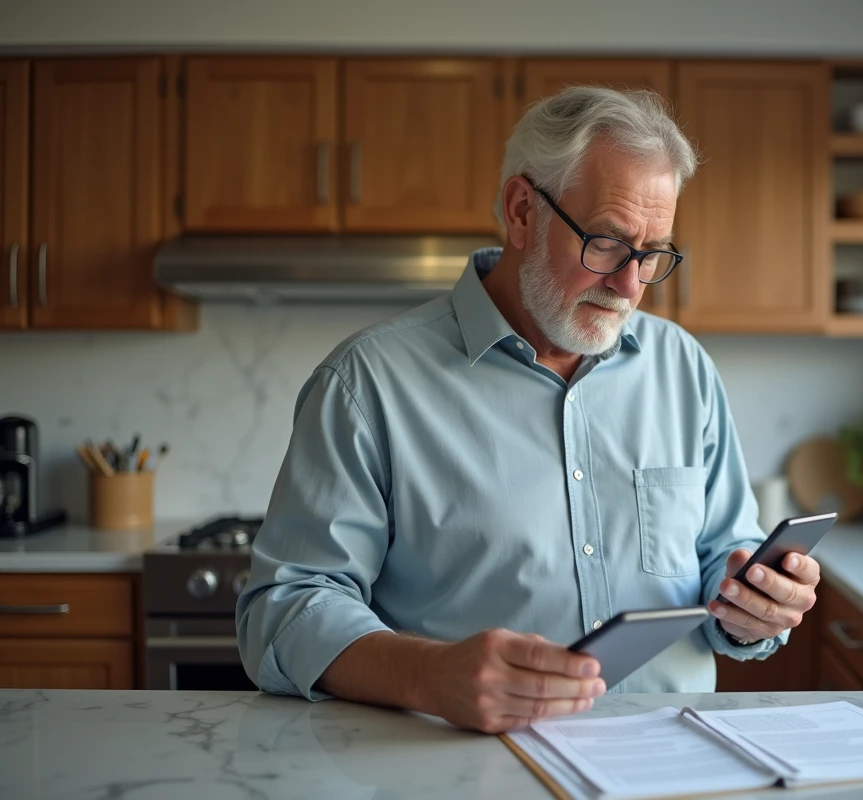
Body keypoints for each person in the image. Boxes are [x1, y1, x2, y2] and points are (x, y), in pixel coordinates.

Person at [235, 86, 820, 735]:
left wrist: (756, 604)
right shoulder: (367, 383)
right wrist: (428, 675)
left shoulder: (683, 368)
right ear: (521, 211)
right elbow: (284, 610)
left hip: (674, 759)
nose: (630, 285)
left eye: (653, 253)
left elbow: (723, 554)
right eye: (606, 243)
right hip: (464, 771)